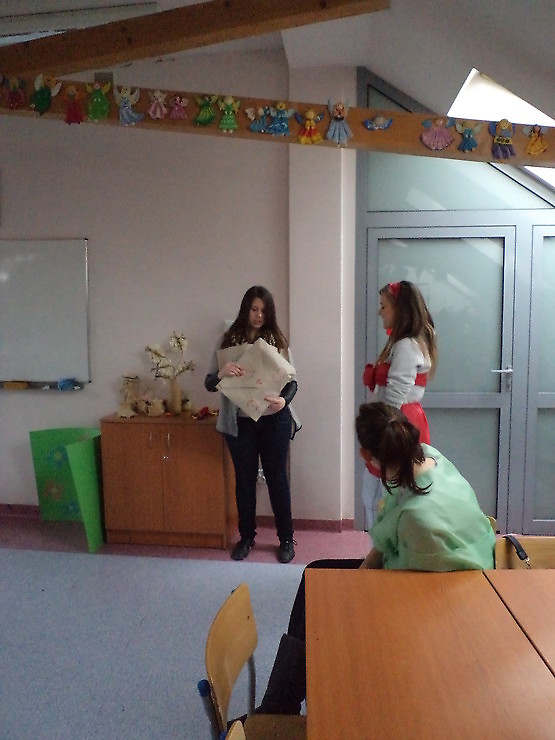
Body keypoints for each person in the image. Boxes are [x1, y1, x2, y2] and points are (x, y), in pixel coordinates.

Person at [253, 402, 495, 716]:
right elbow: (388, 540)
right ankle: (279, 704)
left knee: (325, 605)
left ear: (366, 455)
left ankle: (282, 705)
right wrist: (361, 573)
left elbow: (407, 582)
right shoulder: (429, 457)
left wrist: (356, 587)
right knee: (315, 574)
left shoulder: (418, 517)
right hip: (440, 568)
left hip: (447, 590)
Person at [204, 286, 298, 563]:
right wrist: (222, 373)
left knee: (277, 479)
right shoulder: (228, 340)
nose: (258, 315)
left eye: (263, 311)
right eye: (254, 309)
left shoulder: (277, 340)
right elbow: (209, 383)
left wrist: (283, 401)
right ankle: (247, 537)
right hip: (240, 424)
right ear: (245, 309)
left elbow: (292, 382)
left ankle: (286, 539)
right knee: (244, 481)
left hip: (274, 421)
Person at [362, 280, 437, 522]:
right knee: (379, 496)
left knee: (382, 498)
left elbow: (394, 397)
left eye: (384, 306)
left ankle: (382, 543)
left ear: (399, 309)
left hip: (396, 423)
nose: (380, 312)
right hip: (398, 420)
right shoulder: (404, 343)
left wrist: (379, 436)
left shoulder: (406, 346)